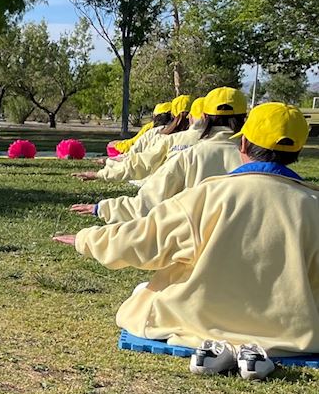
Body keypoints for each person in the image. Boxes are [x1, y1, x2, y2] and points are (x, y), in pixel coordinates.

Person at [54, 103, 319, 368]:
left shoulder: (208, 196)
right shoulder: (312, 204)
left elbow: (145, 239)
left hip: (197, 322)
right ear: (297, 152)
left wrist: (87, 239)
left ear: (244, 144)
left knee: (144, 296)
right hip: (294, 334)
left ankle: (219, 348)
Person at [71, 88, 248, 224]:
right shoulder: (252, 156)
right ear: (244, 118)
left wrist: (102, 207)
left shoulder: (187, 154)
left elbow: (148, 197)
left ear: (203, 117)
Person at [76, 101, 174, 182]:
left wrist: (110, 157)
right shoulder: (180, 135)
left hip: (147, 175)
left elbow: (133, 151)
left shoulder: (152, 131)